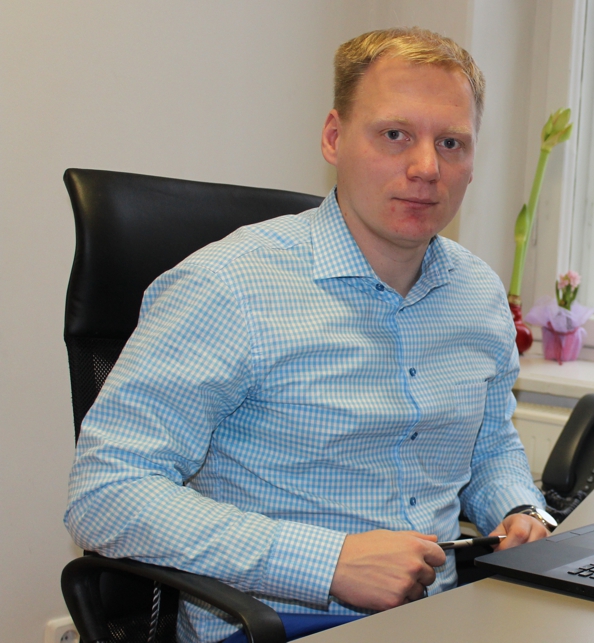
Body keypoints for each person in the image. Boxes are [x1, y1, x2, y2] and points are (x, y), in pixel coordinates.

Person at [64, 27, 552, 643]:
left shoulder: (477, 294)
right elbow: (105, 491)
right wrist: (327, 563)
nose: (427, 168)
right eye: (395, 134)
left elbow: (489, 447)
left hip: (440, 618)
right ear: (333, 137)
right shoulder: (227, 287)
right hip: (275, 625)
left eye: (451, 142)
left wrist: (518, 508)